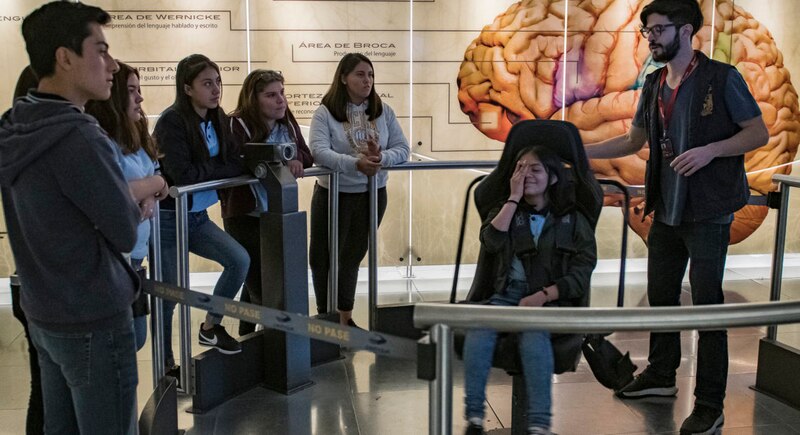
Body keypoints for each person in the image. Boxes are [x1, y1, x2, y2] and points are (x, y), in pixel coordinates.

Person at [584, 1, 769, 433]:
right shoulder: (652, 83)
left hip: (708, 211)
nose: (651, 38)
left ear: (686, 31)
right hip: (665, 209)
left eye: (658, 30)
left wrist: (710, 150)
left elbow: (757, 132)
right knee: (662, 299)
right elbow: (633, 140)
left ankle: (709, 403)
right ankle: (661, 377)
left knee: (708, 310)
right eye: (647, 31)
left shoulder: (721, 78)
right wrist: (578, 148)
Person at [0, 2, 142, 434]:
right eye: (100, 50)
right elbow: (124, 231)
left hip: (45, 313)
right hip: (94, 319)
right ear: (65, 57)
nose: (112, 65)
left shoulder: (14, 125)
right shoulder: (79, 135)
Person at [462, 146, 597, 435]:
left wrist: (545, 295)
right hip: (506, 297)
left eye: (534, 169)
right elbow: (491, 242)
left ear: (553, 178)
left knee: (534, 334)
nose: (525, 174)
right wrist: (513, 198)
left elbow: (582, 272)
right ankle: (474, 419)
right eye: (519, 168)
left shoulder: (573, 220)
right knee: (479, 328)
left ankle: (538, 425)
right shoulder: (506, 212)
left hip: (551, 302)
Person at [154, 53, 249, 369]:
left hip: (196, 216)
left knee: (238, 260)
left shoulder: (218, 117)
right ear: (187, 88)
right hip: (168, 218)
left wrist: (209, 169)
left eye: (218, 82)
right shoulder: (172, 121)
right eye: (207, 83)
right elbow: (181, 174)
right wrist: (219, 169)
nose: (216, 89)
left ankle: (210, 327)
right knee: (169, 294)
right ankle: (165, 365)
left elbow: (237, 162)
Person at [309, 52, 410, 327]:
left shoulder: (382, 110)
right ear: (343, 78)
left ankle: (345, 318)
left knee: (353, 256)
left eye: (371, 75)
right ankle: (325, 317)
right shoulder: (325, 113)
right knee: (324, 258)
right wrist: (356, 164)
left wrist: (380, 159)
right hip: (333, 196)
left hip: (372, 194)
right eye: (360, 74)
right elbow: (318, 152)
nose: (367, 80)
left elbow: (403, 149)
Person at [221, 69, 313, 335]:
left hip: (277, 212)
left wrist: (294, 159)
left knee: (264, 278)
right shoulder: (235, 123)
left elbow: (305, 155)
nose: (280, 100)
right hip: (244, 213)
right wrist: (282, 159)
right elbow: (238, 162)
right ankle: (267, 345)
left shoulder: (286, 120)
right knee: (260, 284)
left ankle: (247, 335)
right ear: (254, 98)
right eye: (271, 95)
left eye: (282, 93)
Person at [86, 61, 171, 350]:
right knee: (121, 345)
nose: (140, 98)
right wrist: (156, 187)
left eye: (139, 89)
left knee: (135, 338)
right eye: (132, 90)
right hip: (111, 261)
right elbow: (116, 190)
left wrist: (150, 191)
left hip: (134, 257)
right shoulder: (98, 139)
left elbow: (155, 172)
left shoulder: (136, 133)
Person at [8, 65, 44, 435]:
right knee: (47, 391)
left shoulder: (14, 143)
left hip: (29, 283)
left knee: (45, 390)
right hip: (47, 287)